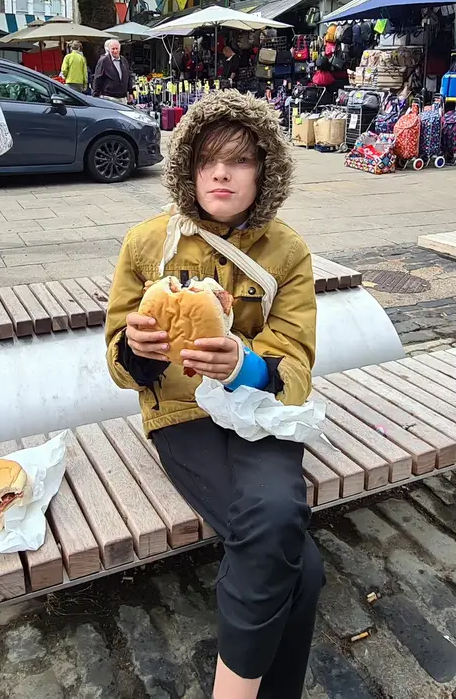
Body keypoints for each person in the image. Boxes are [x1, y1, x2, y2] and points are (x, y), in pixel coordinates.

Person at [104, 90, 320, 699]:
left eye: (239, 159)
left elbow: (297, 359)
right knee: (296, 560)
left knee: (282, 531)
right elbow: (116, 359)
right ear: (188, 170)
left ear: (266, 170)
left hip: (262, 413)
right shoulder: (148, 244)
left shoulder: (288, 250)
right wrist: (138, 352)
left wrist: (247, 366)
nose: (220, 172)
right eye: (206, 160)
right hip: (180, 415)